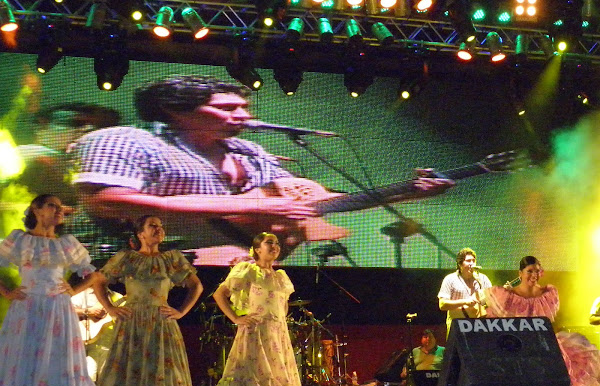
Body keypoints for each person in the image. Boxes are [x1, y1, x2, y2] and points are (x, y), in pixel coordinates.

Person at [69, 75, 454, 265]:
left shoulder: (247, 151)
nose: (244, 116)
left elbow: (307, 204)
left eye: (245, 108)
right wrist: (252, 209)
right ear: (175, 109)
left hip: (226, 271)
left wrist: (406, 191)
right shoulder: (126, 140)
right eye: (228, 108)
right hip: (126, 269)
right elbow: (109, 201)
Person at [0, 194, 106, 386]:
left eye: (60, 207)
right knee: (24, 361)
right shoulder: (20, 240)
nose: (59, 210)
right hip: (27, 309)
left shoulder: (66, 243)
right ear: (36, 210)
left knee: (56, 363)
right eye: (52, 206)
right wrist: (7, 292)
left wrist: (73, 290)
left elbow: (96, 275)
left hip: (58, 311)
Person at [92, 215, 203, 386]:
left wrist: (180, 312)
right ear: (140, 234)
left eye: (161, 226)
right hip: (133, 323)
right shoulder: (127, 258)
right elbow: (99, 280)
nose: (158, 229)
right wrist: (111, 309)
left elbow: (196, 286)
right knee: (130, 372)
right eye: (152, 226)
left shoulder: (172, 258)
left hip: (161, 323)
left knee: (163, 373)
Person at [203, 232, 311, 386]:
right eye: (269, 243)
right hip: (256, 332)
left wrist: (279, 325)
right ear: (257, 249)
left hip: (277, 335)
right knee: (253, 374)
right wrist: (236, 318)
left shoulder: (281, 277)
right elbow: (220, 294)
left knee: (279, 376)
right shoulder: (248, 270)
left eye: (277, 243)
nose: (275, 246)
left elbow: (284, 304)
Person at [480, 256, 600, 386]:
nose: (534, 275)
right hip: (519, 346)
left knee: (568, 366)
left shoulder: (548, 295)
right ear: (520, 273)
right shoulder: (508, 296)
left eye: (537, 271)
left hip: (543, 344)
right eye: (529, 271)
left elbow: (548, 324)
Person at [15, 103, 121, 206]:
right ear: (43, 124)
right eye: (77, 123)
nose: (86, 130)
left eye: (97, 128)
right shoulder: (26, 154)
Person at [438, 247, 492, 334]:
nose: (472, 263)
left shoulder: (482, 278)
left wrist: (504, 291)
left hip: (478, 326)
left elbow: (492, 299)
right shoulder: (450, 279)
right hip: (457, 326)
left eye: (473, 260)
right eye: (468, 261)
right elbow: (442, 304)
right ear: (460, 264)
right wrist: (465, 301)